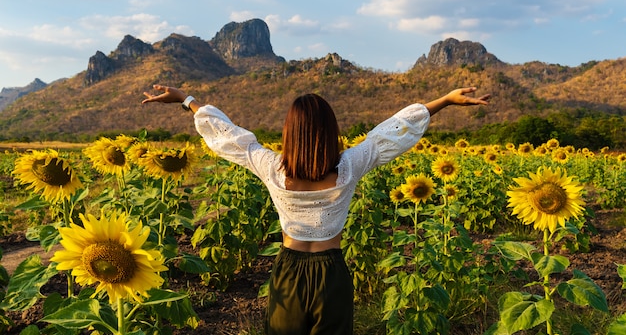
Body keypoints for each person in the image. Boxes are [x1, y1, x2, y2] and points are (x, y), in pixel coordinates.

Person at [142, 85, 490, 335]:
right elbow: (392, 132)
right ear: (331, 131)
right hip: (332, 273)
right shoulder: (350, 166)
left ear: (289, 133)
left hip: (288, 270)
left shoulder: (272, 168)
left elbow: (226, 135)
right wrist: (444, 101)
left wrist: (186, 99)